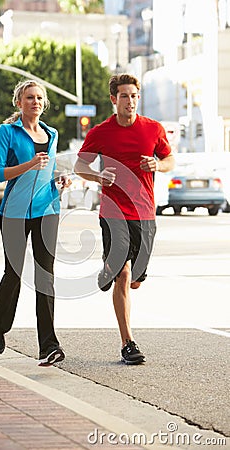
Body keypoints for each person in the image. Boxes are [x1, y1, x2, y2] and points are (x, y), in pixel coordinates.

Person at [74, 74, 175, 365]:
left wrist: (159, 163)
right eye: (124, 96)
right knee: (125, 274)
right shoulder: (101, 132)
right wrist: (98, 176)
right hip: (113, 211)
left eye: (134, 96)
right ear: (113, 100)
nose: (130, 101)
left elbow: (170, 160)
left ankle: (107, 269)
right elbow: (81, 164)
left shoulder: (153, 129)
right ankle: (127, 342)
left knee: (136, 281)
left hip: (145, 214)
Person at [0, 79, 71, 367]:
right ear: (19, 103)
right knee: (13, 273)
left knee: (45, 275)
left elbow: (48, 173)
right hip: (14, 213)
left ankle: (49, 345)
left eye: (39, 98)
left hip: (47, 210)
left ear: (43, 103)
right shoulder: (8, 133)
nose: (35, 102)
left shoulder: (52, 133)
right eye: (29, 97)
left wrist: (60, 181)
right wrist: (29, 165)